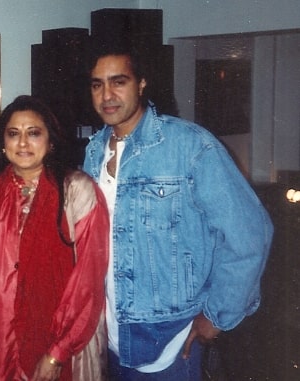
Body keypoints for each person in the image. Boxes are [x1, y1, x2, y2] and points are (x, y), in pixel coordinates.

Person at [82, 43, 274, 380]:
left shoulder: (189, 146)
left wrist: (217, 316)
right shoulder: (94, 150)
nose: (107, 95)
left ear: (141, 83)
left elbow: (251, 233)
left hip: (171, 340)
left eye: (119, 81)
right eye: (97, 84)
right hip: (109, 336)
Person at [0, 95, 110, 381]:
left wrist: (58, 351)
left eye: (33, 133)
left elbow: (88, 284)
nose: (22, 143)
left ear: (51, 141)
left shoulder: (76, 191)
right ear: (3, 144)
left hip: (62, 344)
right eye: (13, 134)